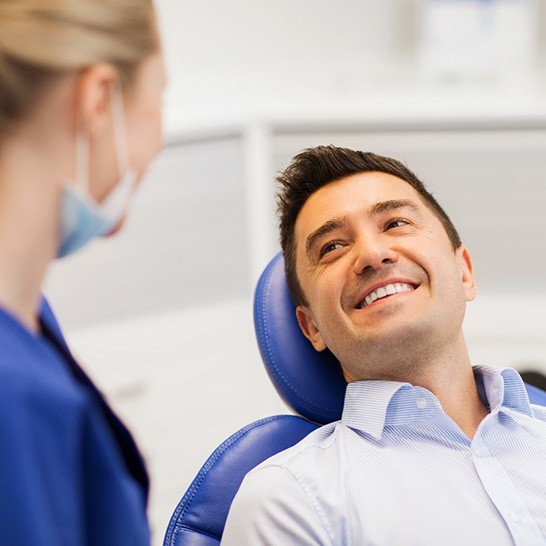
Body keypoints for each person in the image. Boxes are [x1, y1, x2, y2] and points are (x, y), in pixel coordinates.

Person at [221, 145, 546, 545]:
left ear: (464, 273)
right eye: (332, 247)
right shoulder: (289, 500)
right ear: (311, 328)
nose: (373, 254)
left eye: (395, 223)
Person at [0, 1, 166, 544]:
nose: (158, 139)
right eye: (158, 97)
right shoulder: (12, 396)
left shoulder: (29, 324)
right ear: (98, 100)